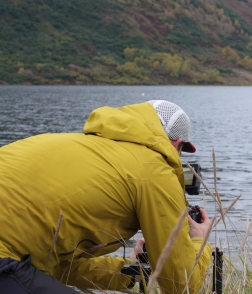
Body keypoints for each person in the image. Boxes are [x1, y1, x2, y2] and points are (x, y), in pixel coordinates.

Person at [0, 100, 212, 293]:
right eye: (182, 152)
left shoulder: (87, 148)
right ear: (176, 144)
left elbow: (57, 266)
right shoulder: (153, 167)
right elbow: (180, 283)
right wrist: (200, 242)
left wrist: (132, 270)